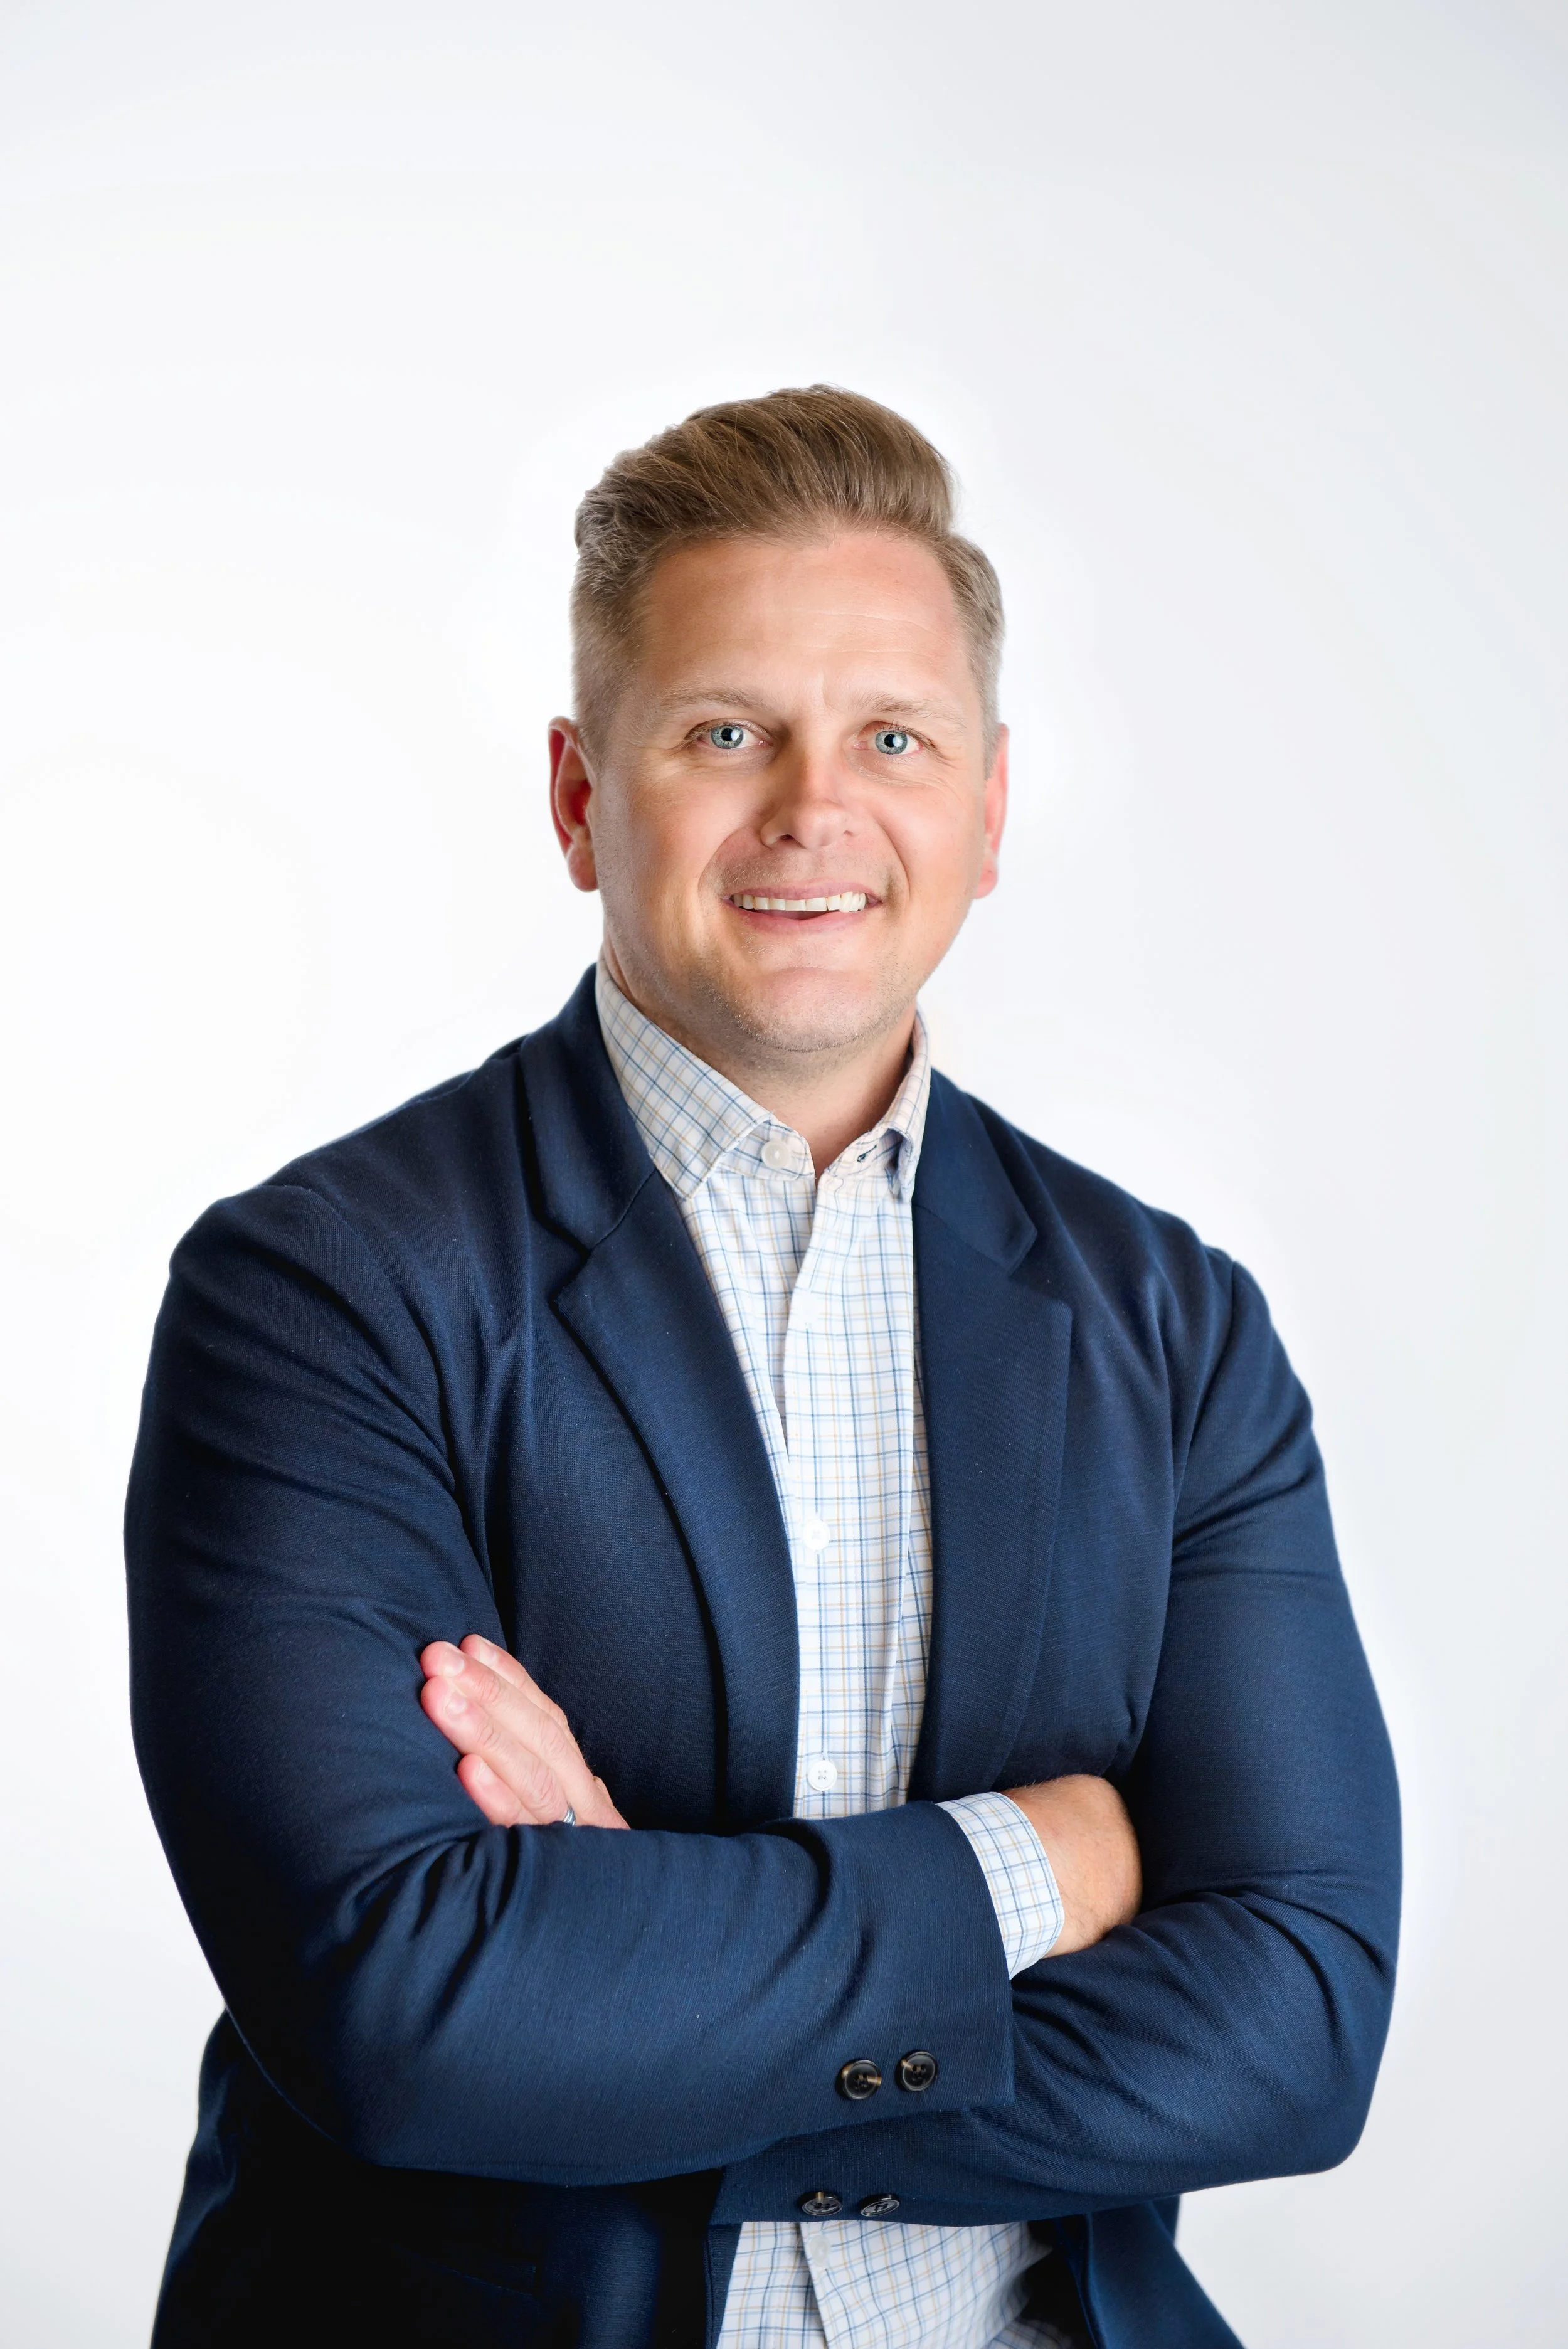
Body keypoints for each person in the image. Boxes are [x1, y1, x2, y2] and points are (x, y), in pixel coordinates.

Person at [125, 386, 1400, 2349]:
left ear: (983, 812)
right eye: (725, 733)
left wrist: (639, 2001)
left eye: (890, 738)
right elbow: (409, 2017)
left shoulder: (1170, 1322)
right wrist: (1048, 1858)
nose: (814, 806)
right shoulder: (325, 1293)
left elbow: (1300, 2021)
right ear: (577, 797)